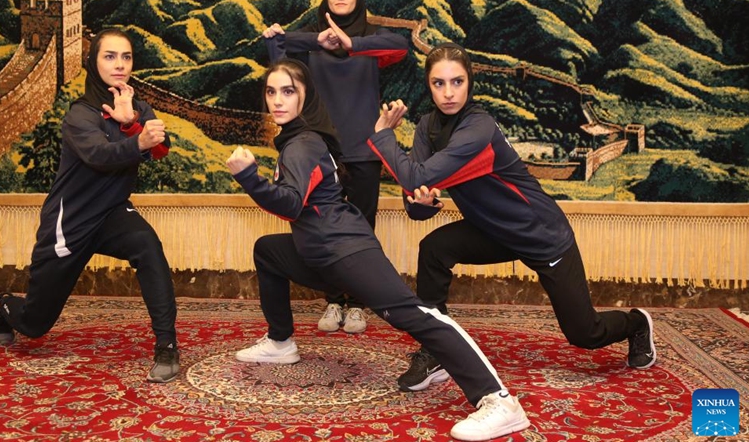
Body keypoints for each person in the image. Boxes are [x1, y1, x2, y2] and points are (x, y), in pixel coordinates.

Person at [225, 58, 530, 441]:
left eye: (288, 91)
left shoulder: (303, 144)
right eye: (271, 91)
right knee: (269, 250)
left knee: (414, 315)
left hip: (346, 251)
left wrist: (248, 176)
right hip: (317, 253)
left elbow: (289, 204)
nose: (277, 100)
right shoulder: (296, 139)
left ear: (306, 96)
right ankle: (281, 341)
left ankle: (499, 401)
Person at [367, 42, 657, 392]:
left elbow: (413, 176)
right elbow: (414, 206)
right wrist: (424, 202)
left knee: (585, 333)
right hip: (491, 230)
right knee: (434, 248)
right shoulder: (428, 127)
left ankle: (637, 323)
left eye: (457, 82)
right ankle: (436, 348)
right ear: (428, 85)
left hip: (540, 233)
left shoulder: (479, 127)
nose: (448, 92)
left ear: (470, 83)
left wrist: (384, 135)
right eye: (438, 83)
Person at [0, 28, 181, 384]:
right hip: (71, 221)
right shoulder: (80, 114)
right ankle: (3, 306)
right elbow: (99, 156)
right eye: (110, 56)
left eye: (126, 57)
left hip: (112, 212)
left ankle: (166, 345)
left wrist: (132, 123)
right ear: (94, 62)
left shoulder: (136, 104)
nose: (120, 65)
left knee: (148, 246)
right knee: (35, 324)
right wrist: (133, 134)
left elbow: (161, 147)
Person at [261, 0, 408, 334]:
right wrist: (315, 41)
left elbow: (402, 45)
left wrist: (351, 44)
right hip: (322, 151)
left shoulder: (371, 39)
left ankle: (358, 303)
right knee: (320, 228)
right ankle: (333, 300)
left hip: (363, 150)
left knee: (362, 229)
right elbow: (277, 54)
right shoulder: (313, 39)